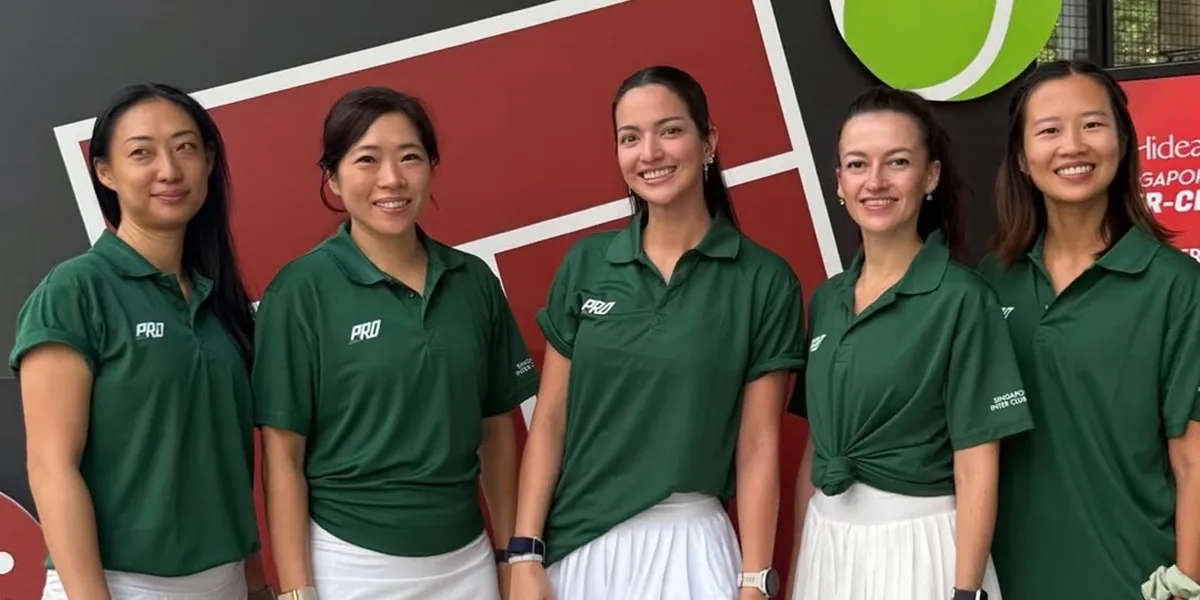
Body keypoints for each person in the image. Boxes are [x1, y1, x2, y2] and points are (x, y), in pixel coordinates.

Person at [507, 65, 803, 600]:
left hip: (693, 546)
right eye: (629, 137)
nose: (649, 153)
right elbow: (549, 421)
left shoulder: (765, 279)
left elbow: (759, 444)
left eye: (669, 130)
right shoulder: (585, 264)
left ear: (708, 140)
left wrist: (755, 582)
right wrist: (525, 555)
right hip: (578, 548)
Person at [253, 86, 538, 600]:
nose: (392, 179)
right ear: (333, 178)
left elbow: (497, 432)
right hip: (352, 566)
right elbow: (282, 458)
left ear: (431, 168)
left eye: (410, 157)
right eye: (367, 160)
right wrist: (297, 591)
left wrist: (511, 558)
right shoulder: (300, 291)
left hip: (467, 560)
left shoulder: (471, 280)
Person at [9, 83, 271, 599]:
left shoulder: (221, 300)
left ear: (210, 162)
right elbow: (51, 467)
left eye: (185, 147)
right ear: (105, 172)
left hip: (225, 582)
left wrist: (256, 582)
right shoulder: (76, 290)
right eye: (141, 153)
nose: (169, 170)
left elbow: (226, 461)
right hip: (116, 585)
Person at [786, 87, 1034, 600]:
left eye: (896, 162)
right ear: (839, 183)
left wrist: (966, 592)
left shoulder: (963, 298)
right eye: (857, 164)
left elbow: (977, 461)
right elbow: (816, 450)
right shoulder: (828, 298)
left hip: (922, 551)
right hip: (827, 548)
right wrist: (795, 574)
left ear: (930, 176)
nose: (874, 182)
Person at [978, 59, 1200, 600]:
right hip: (1007, 577)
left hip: (1134, 579)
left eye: (1093, 124)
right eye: (1049, 129)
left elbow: (1192, 458)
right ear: (1023, 159)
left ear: (1122, 142)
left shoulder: (1176, 283)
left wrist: (1187, 582)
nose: (1072, 145)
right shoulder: (990, 281)